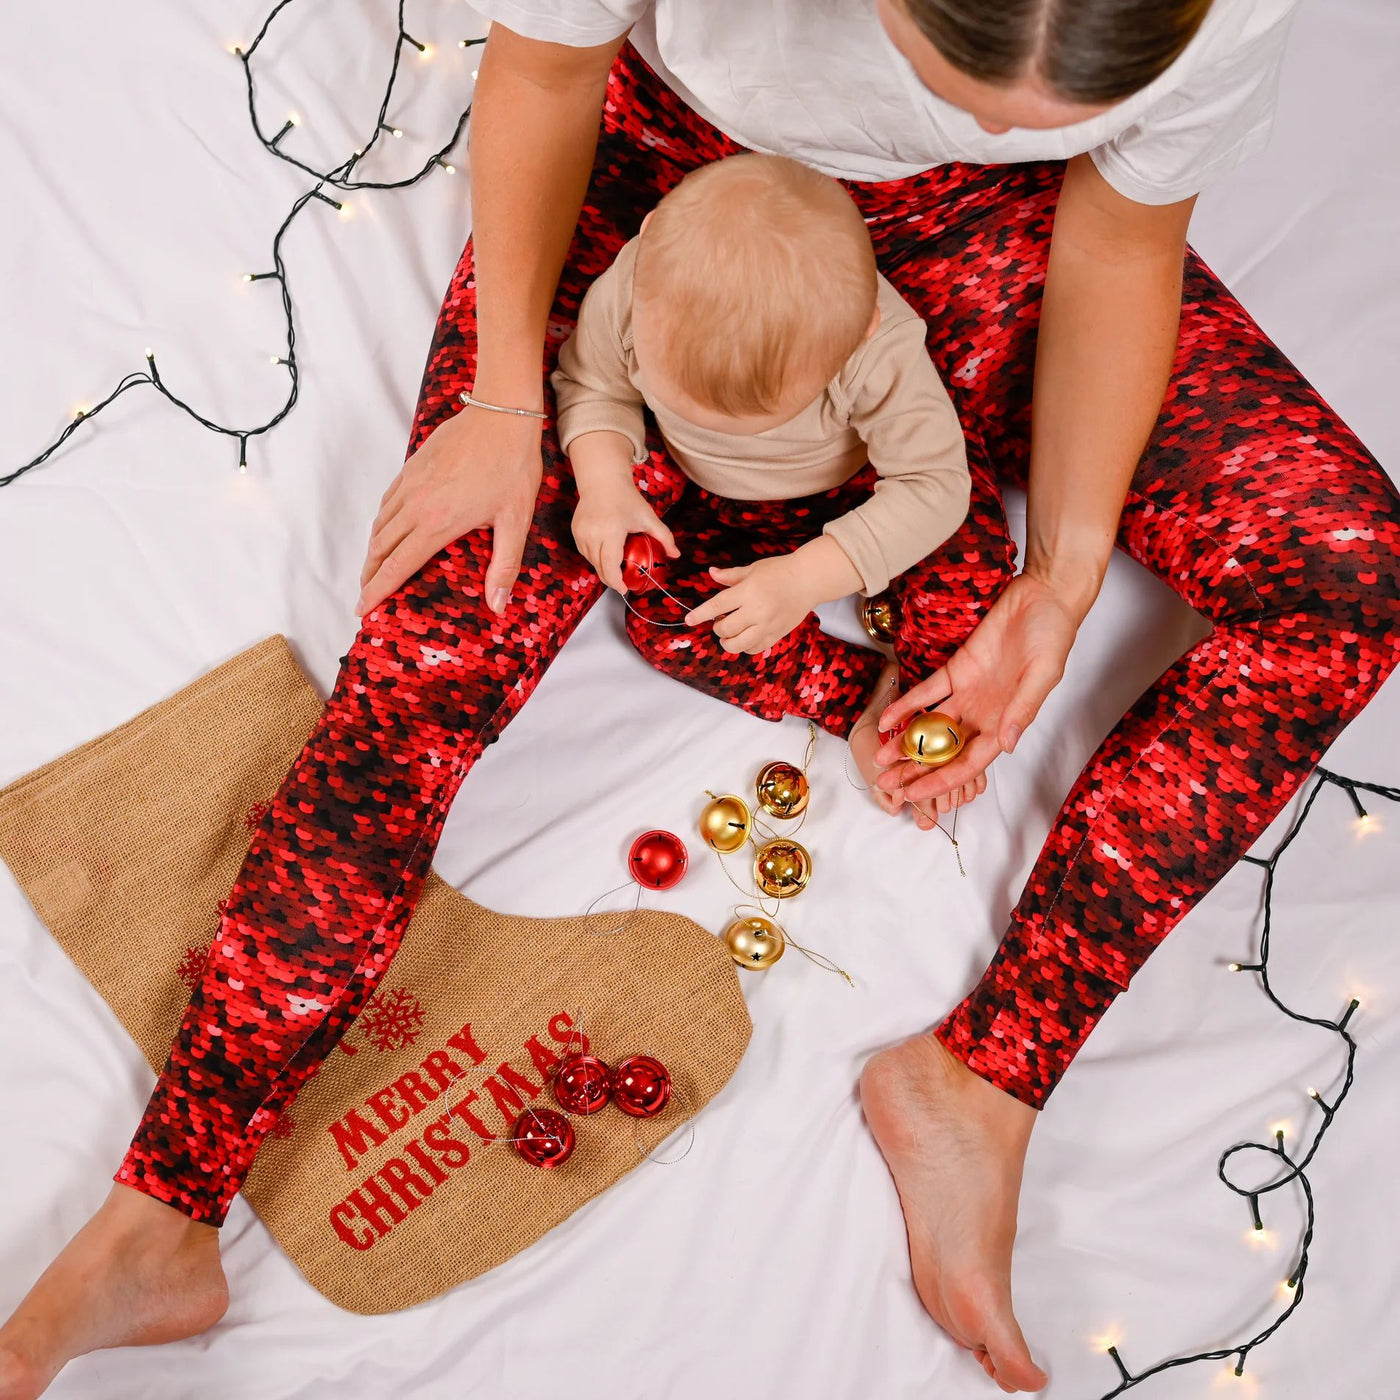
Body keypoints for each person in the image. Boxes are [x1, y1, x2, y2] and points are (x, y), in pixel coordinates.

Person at [2, 1, 1398, 1396]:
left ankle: (984, 1078)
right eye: (954, 90)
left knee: (1348, 578)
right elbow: (547, 70)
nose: (969, 126)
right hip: (676, 222)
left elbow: (1116, 234)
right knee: (425, 669)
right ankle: (163, 1213)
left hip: (992, 244)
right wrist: (504, 411)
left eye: (1038, 117)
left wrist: (1065, 576)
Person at [554, 150, 975, 810]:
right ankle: (858, 697)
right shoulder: (634, 289)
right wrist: (605, 482)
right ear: (648, 247)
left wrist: (810, 576)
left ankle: (937, 695)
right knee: (663, 620)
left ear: (856, 332)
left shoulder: (878, 346)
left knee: (971, 559)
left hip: (859, 494)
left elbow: (935, 484)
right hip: (718, 509)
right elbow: (593, 383)